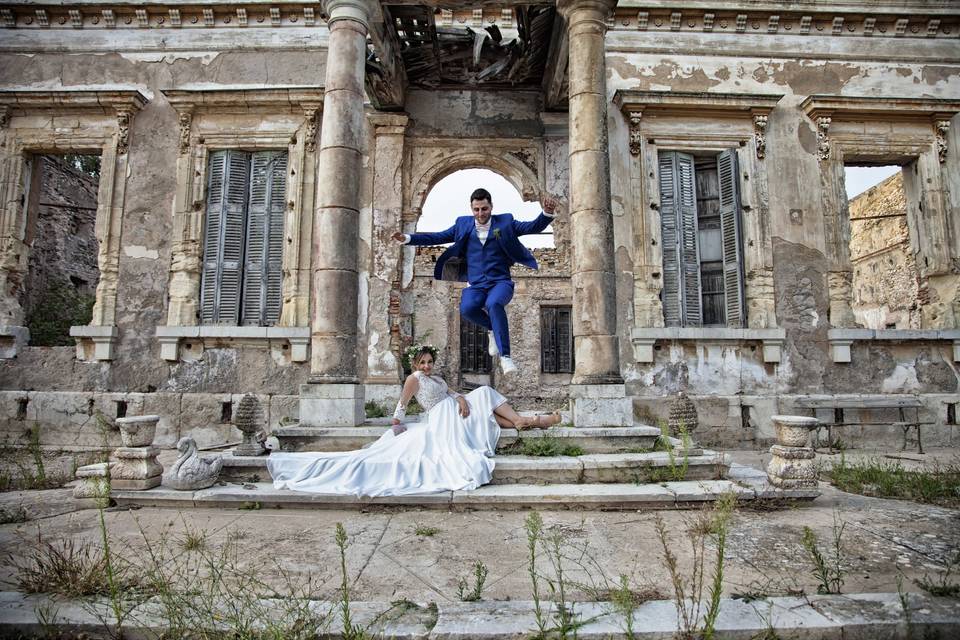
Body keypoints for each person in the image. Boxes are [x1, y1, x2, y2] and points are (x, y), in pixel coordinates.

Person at [267, 346, 561, 497]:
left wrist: (459, 398)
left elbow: (452, 391)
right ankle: (526, 419)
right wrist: (396, 422)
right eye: (422, 362)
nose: (426, 366)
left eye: (429, 362)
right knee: (484, 394)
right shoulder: (414, 379)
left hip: (452, 408)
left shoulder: (437, 378)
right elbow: (403, 403)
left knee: (482, 405)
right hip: (440, 417)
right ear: (415, 364)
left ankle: (527, 420)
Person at [392, 188, 557, 375]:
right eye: (476, 209)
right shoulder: (463, 225)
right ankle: (492, 328)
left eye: (484, 209)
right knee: (467, 309)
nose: (480, 213)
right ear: (472, 209)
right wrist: (407, 238)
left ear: (491, 207)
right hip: (476, 284)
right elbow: (437, 236)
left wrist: (546, 213)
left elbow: (531, 227)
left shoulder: (505, 222)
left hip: (500, 282)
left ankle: (506, 357)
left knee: (494, 304)